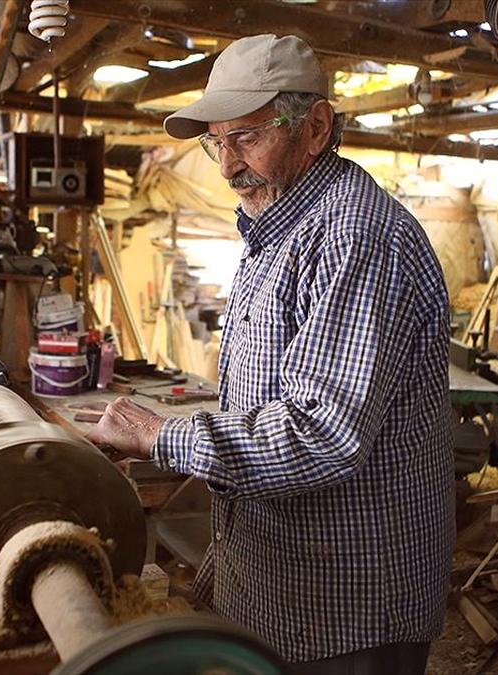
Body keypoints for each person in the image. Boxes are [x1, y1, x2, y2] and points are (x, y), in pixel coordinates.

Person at [86, 34, 454, 674]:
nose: (227, 167)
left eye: (247, 138)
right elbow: (268, 399)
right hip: (277, 583)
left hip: (347, 608)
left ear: (315, 128)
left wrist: (164, 436)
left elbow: (320, 434)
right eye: (215, 143)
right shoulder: (277, 230)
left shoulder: (357, 239)